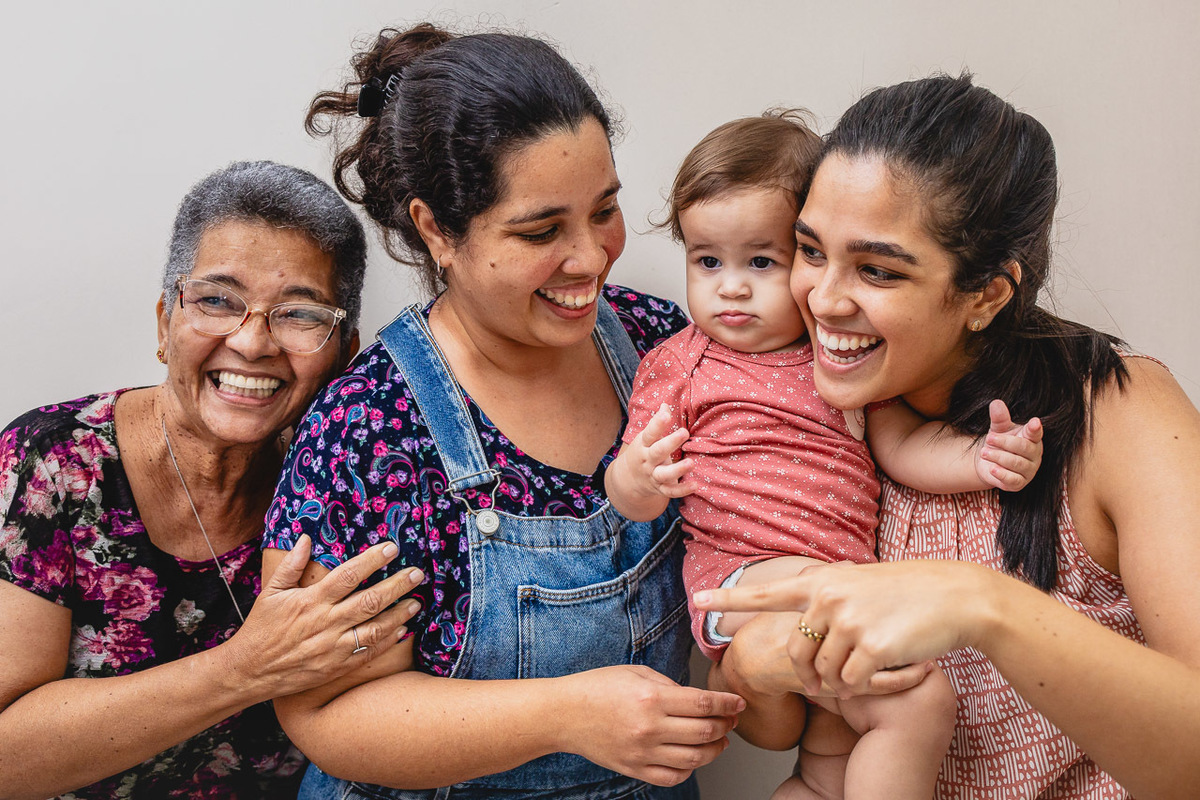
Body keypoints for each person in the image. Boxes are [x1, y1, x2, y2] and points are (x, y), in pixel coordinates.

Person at [262, 23, 745, 800]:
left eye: (604, 210)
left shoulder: (662, 348)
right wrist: (564, 715)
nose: (589, 257)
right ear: (436, 230)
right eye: (541, 230)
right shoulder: (369, 429)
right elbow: (324, 713)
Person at [694, 73, 1200, 800]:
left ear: (986, 294)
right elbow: (763, 709)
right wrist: (757, 666)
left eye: (876, 270)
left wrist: (977, 602)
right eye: (809, 251)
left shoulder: (1119, 410)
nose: (823, 299)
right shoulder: (818, 413)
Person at [605, 110, 1041, 799]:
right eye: (707, 261)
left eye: (763, 261)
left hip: (836, 587)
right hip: (746, 584)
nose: (732, 286)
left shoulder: (839, 359)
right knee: (919, 698)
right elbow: (630, 492)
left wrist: (979, 460)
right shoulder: (680, 365)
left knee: (833, 762)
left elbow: (901, 448)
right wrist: (637, 478)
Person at [0, 161, 425, 800]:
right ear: (165, 323)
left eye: (300, 314)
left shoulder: (343, 485)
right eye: (217, 301)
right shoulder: (54, 464)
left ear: (344, 352)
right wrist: (244, 668)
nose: (252, 342)